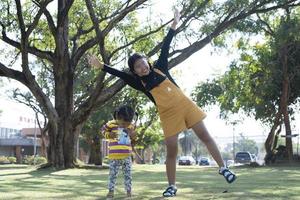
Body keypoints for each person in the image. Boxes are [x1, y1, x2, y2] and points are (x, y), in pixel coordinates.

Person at [89, 9, 236, 198]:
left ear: (147, 62)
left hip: (185, 105)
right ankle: (172, 186)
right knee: (172, 150)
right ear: (135, 71)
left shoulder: (160, 67)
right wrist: (101, 66)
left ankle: (223, 168)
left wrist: (175, 22)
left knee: (205, 136)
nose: (142, 68)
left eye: (143, 63)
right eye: (137, 67)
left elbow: (167, 43)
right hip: (167, 114)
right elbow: (120, 74)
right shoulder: (139, 83)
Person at [102, 105, 137, 200]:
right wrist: (109, 134)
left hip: (127, 156)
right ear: (118, 117)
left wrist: (133, 135)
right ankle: (111, 191)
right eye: (124, 123)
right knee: (112, 175)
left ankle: (129, 192)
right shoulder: (110, 124)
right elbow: (103, 131)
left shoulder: (131, 126)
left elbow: (134, 137)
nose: (126, 125)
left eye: (128, 123)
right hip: (114, 155)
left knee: (128, 175)